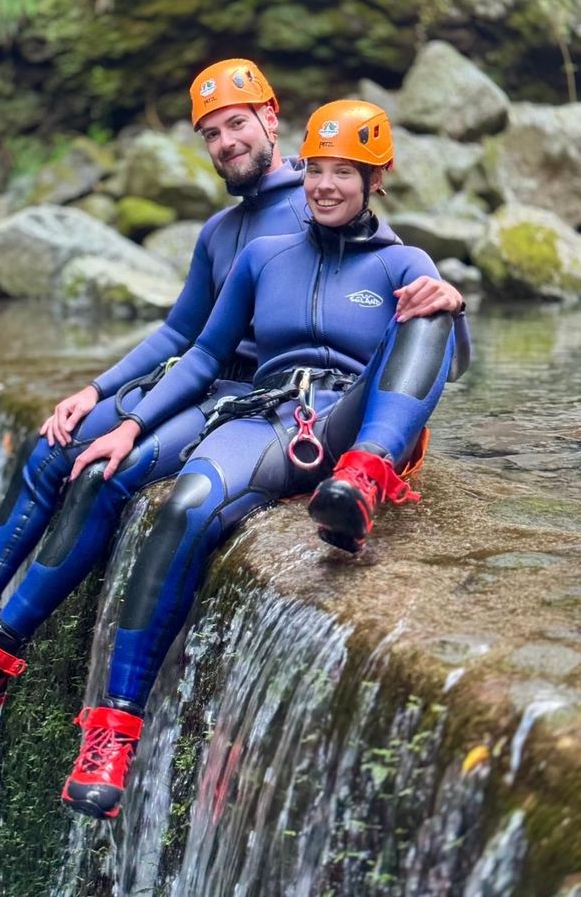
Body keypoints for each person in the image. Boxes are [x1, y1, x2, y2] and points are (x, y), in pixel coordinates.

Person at [0, 71, 463, 714]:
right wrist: (100, 393)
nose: (226, 142)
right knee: (74, 454)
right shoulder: (234, 236)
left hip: (289, 404)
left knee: (125, 473)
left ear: (272, 119)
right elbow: (188, 338)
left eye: (236, 123)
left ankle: (365, 475)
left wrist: (447, 302)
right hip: (236, 397)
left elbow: (428, 340)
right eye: (211, 133)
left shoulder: (342, 220)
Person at [55, 98, 471, 820]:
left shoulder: (405, 263)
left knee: (433, 308)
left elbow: (449, 363)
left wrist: (453, 305)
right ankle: (112, 733)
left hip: (354, 420)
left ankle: (364, 478)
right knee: (184, 508)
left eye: (345, 172)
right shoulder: (263, 255)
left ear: (375, 180)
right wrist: (131, 425)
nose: (325, 186)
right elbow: (202, 357)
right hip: (270, 416)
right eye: (317, 170)